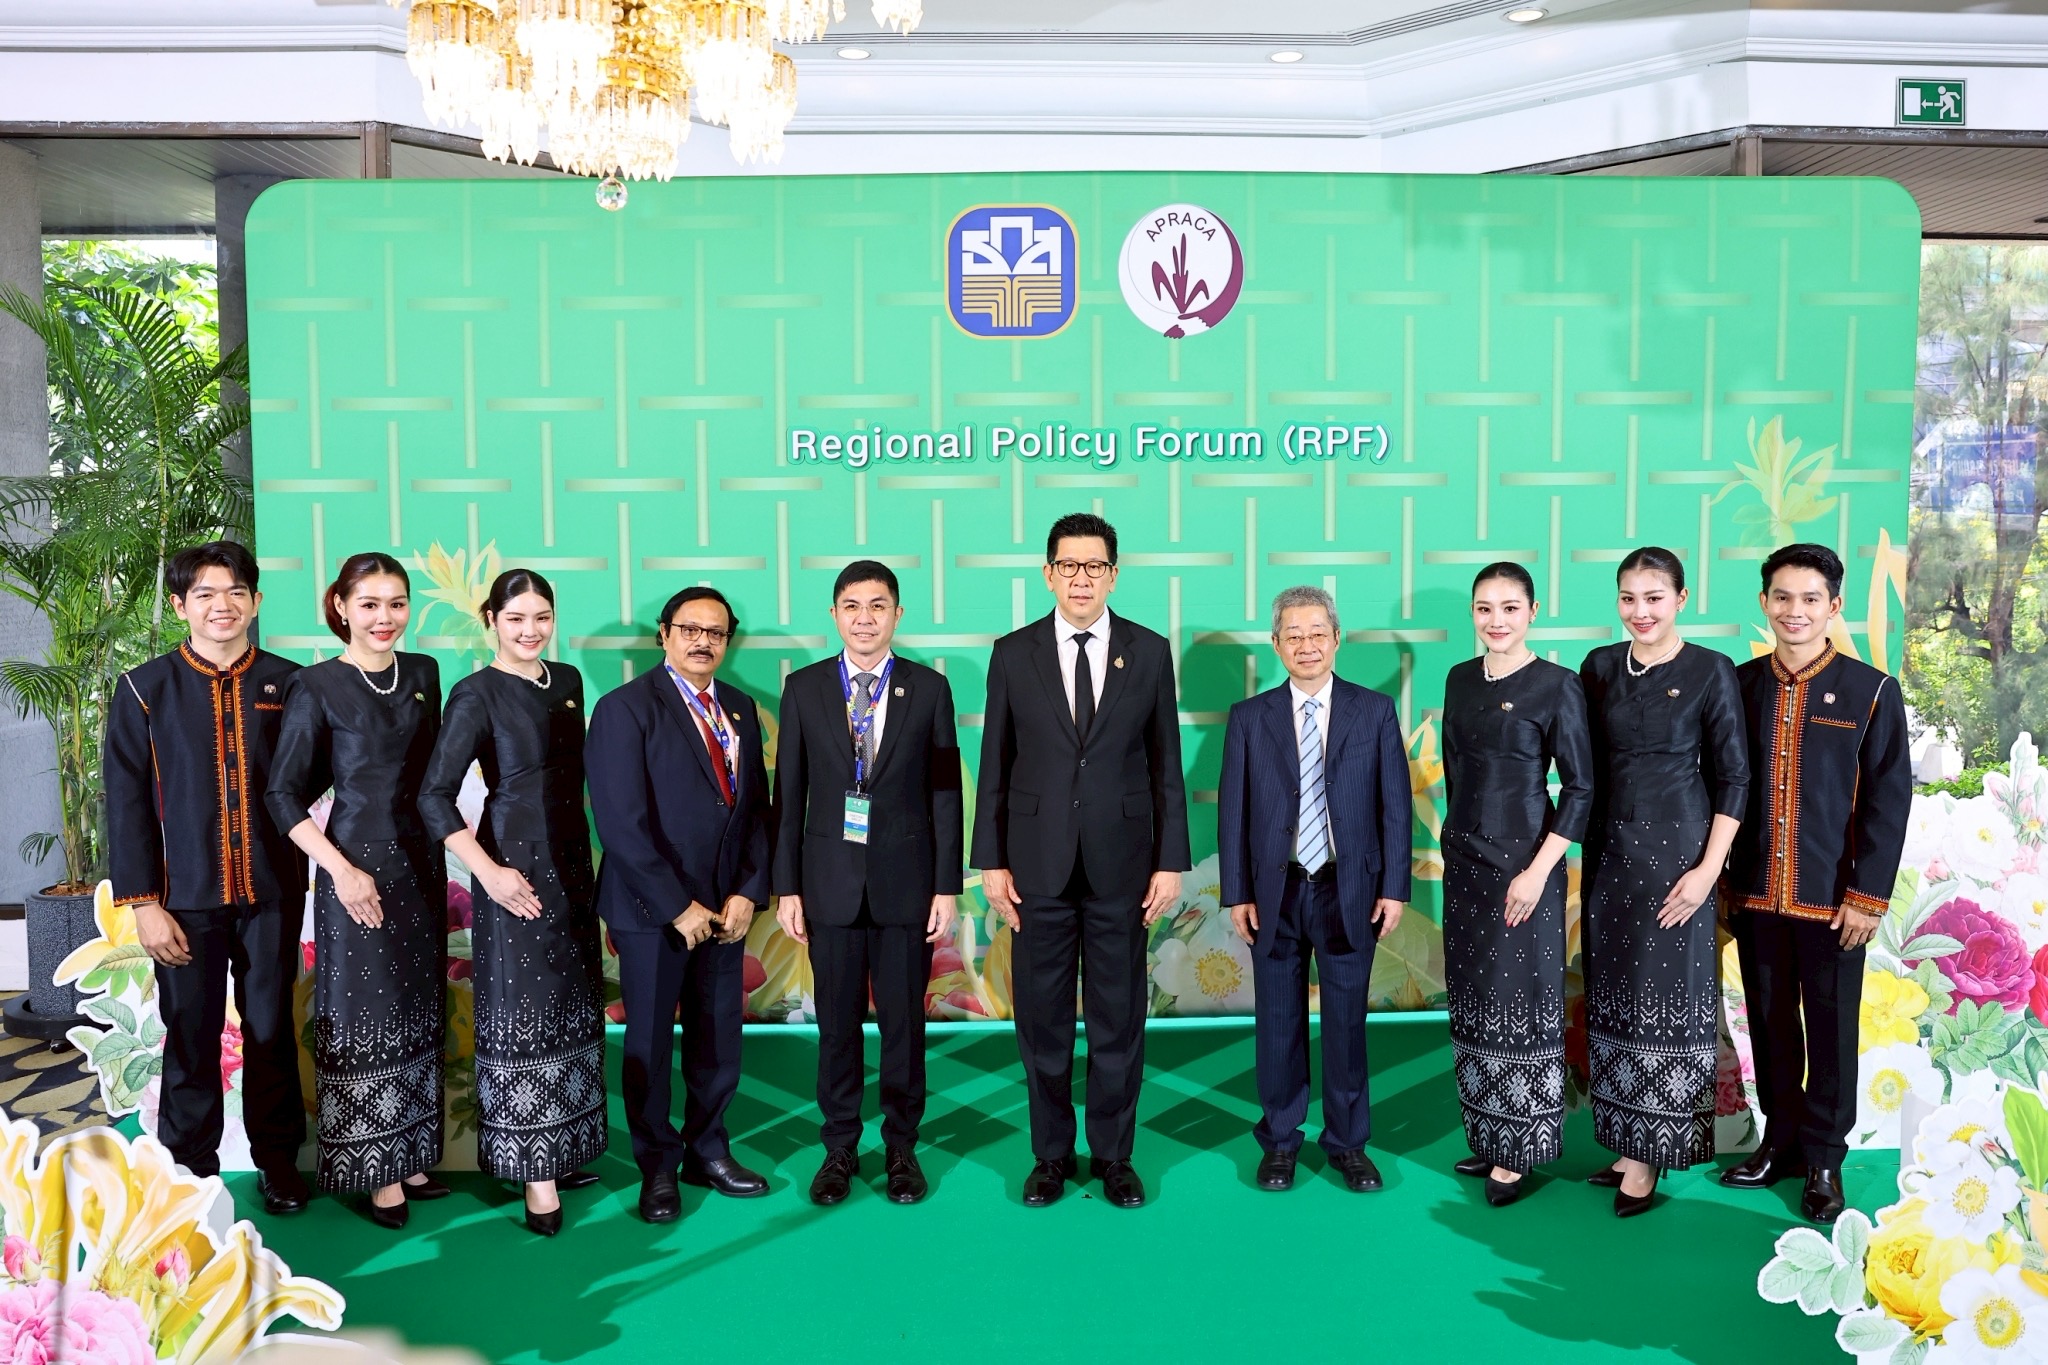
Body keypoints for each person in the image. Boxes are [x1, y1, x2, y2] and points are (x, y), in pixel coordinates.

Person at [972, 511, 1190, 1210]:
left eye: (1095, 566)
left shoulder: (1149, 652)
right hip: (1035, 867)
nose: (1081, 578)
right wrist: (990, 861)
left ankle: (1115, 1156)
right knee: (1040, 1020)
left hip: (1123, 867)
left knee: (1118, 1018)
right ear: (1048, 574)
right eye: (1068, 565)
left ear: (1114, 575)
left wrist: (1170, 861)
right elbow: (995, 764)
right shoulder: (1014, 653)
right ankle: (1050, 1155)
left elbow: (1165, 766)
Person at [103, 541, 310, 1213]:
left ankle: (279, 1162)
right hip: (182, 900)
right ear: (179, 605)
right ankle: (189, 1177)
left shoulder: (291, 683)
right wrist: (144, 903)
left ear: (256, 600)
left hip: (273, 891)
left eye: (235, 592)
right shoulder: (145, 688)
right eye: (205, 594)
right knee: (190, 1035)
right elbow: (126, 801)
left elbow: (312, 779)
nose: (223, 605)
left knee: (271, 1030)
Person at [1721, 543, 1910, 1224]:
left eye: (1810, 598)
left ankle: (1826, 1157)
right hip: (1754, 894)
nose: (1794, 610)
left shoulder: (1871, 691)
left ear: (1834, 605)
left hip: (1835, 902)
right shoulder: (1737, 685)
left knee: (1830, 1030)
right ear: (1764, 602)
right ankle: (1780, 1141)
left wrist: (1868, 896)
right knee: (1769, 1023)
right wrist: (1720, 882)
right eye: (1782, 597)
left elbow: (1889, 799)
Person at [416, 570, 606, 1236]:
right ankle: (534, 1174)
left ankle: (565, 1145)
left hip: (574, 867)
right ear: (491, 619)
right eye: (517, 617)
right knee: (525, 1016)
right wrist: (489, 874)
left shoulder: (569, 681)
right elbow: (434, 796)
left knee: (571, 1011)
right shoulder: (476, 693)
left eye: (542, 616)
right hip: (513, 873)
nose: (531, 630)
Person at [266, 553, 450, 1228]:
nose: (384, 617)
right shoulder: (315, 685)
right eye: (369, 604)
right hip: (355, 873)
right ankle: (378, 1172)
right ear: (340, 606)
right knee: (366, 1017)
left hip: (421, 867)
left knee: (416, 1010)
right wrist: (340, 869)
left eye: (396, 603)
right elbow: (283, 794)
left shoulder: (424, 673)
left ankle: (413, 1154)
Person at [773, 561, 962, 1207]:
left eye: (878, 605)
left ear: (897, 615)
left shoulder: (929, 689)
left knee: (905, 1027)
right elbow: (788, 794)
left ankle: (902, 1146)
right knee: (837, 1027)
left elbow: (945, 792)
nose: (864, 618)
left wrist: (946, 886)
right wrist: (787, 888)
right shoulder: (803, 689)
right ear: (834, 615)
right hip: (828, 885)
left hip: (907, 886)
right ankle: (840, 1148)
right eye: (851, 606)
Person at [1218, 585, 1412, 1195]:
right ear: (1276, 645)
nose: (1307, 646)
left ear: (1337, 639)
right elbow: (1233, 812)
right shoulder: (1249, 717)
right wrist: (1237, 892)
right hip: (1274, 891)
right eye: (1293, 636)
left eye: (1317, 634)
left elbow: (1395, 805)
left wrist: (1395, 888)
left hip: (1348, 887)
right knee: (1278, 1024)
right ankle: (1280, 1141)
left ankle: (1349, 1144)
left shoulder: (1374, 710)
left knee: (1347, 1025)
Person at [587, 585, 771, 1224]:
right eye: (689, 629)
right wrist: (677, 906)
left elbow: (756, 810)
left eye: (715, 632)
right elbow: (620, 822)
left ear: (727, 641)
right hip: (652, 912)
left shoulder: (740, 708)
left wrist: (749, 890)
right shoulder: (624, 709)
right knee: (649, 1041)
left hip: (726, 910)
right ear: (664, 635)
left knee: (718, 1036)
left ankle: (708, 1150)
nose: (702, 641)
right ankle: (657, 1166)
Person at [1578, 547, 1749, 1217]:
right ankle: (1626, 1142)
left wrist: (1708, 871)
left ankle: (1652, 1156)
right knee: (1614, 997)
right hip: (1609, 852)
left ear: (1682, 598)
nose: (1640, 611)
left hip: (1680, 857)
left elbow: (1735, 776)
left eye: (1654, 597)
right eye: (1628, 597)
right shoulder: (1599, 667)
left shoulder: (1711, 669)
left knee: (1664, 1001)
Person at [1438, 562, 1593, 1207]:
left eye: (1509, 608)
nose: (1496, 621)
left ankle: (1520, 1149)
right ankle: (1488, 1132)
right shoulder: (1459, 678)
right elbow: (1453, 767)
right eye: (1484, 608)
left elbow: (1581, 788)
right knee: (1474, 997)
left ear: (1533, 611)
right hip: (1464, 863)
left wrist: (1537, 870)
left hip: (1524, 867)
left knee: (1518, 1002)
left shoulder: (1557, 685)